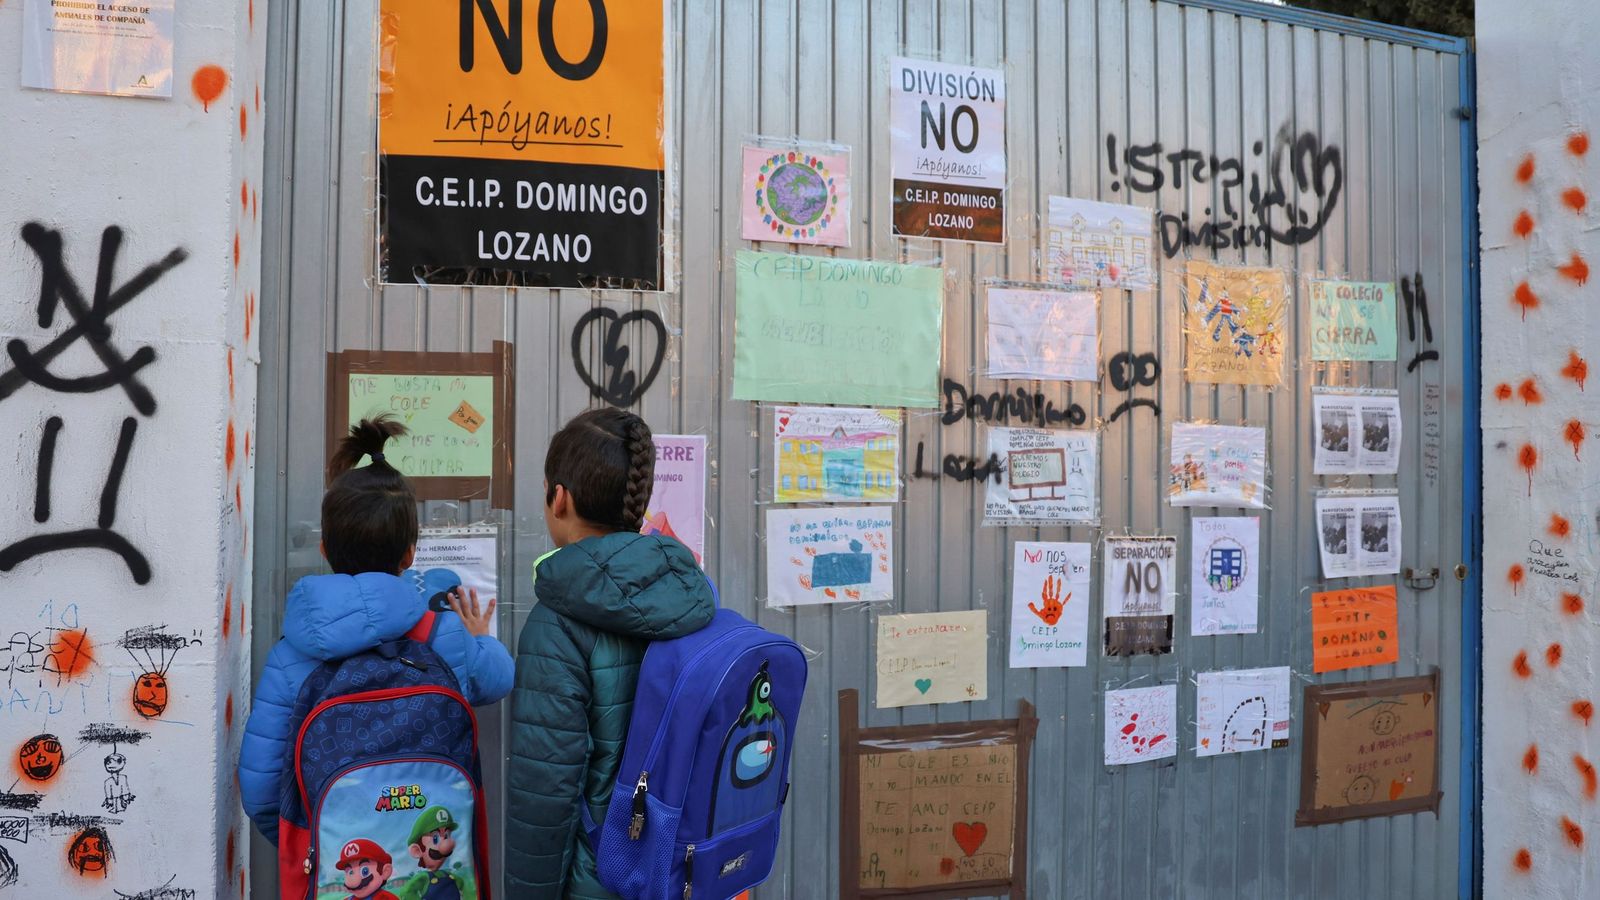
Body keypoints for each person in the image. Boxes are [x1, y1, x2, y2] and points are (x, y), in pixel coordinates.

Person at [238, 416, 514, 843]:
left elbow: (261, 792)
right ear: (409, 554)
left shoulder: (292, 656)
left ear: (325, 549)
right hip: (432, 857)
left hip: (338, 868)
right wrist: (478, 636)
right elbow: (498, 678)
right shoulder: (440, 635)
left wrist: (318, 849)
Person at [506, 408, 716, 898]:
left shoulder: (555, 626)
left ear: (559, 498)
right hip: (680, 863)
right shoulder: (690, 593)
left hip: (603, 875)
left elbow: (546, 793)